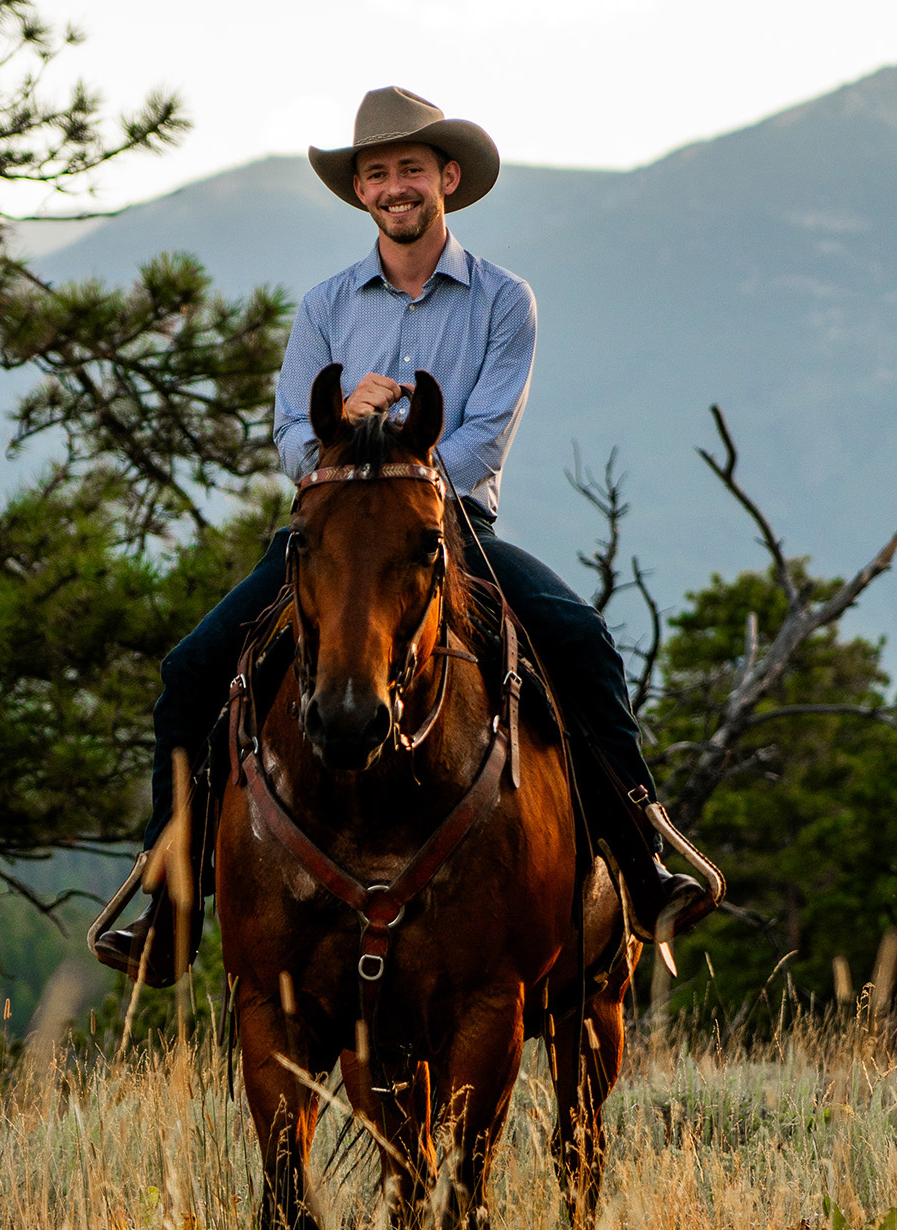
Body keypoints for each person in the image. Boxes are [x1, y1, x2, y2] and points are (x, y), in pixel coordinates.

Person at [92, 87, 706, 984]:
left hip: (448, 528)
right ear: (361, 193)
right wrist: (344, 419)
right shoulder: (326, 306)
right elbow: (293, 441)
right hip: (335, 528)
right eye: (376, 173)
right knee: (192, 669)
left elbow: (485, 434)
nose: (394, 186)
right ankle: (170, 896)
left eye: (410, 169)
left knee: (576, 638)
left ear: (446, 178)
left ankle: (638, 858)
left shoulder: (503, 301)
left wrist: (405, 472)